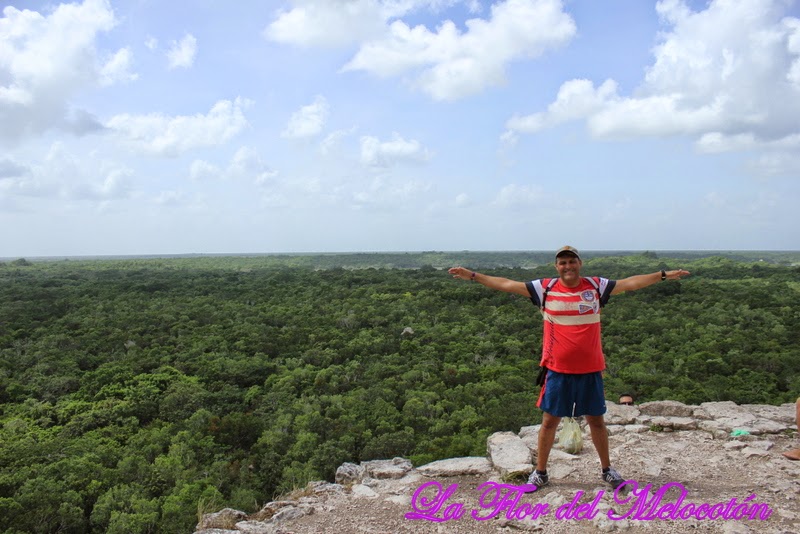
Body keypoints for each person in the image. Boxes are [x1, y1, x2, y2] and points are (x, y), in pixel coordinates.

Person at [449, 246, 690, 491]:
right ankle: (540, 472)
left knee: (596, 420)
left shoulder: (596, 286)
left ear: (580, 263)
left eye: (571, 261)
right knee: (549, 422)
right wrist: (472, 276)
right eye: (562, 262)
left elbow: (630, 283)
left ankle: (607, 470)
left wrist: (662, 275)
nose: (567, 266)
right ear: (557, 266)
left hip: (590, 369)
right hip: (557, 369)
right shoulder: (545, 289)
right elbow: (506, 284)